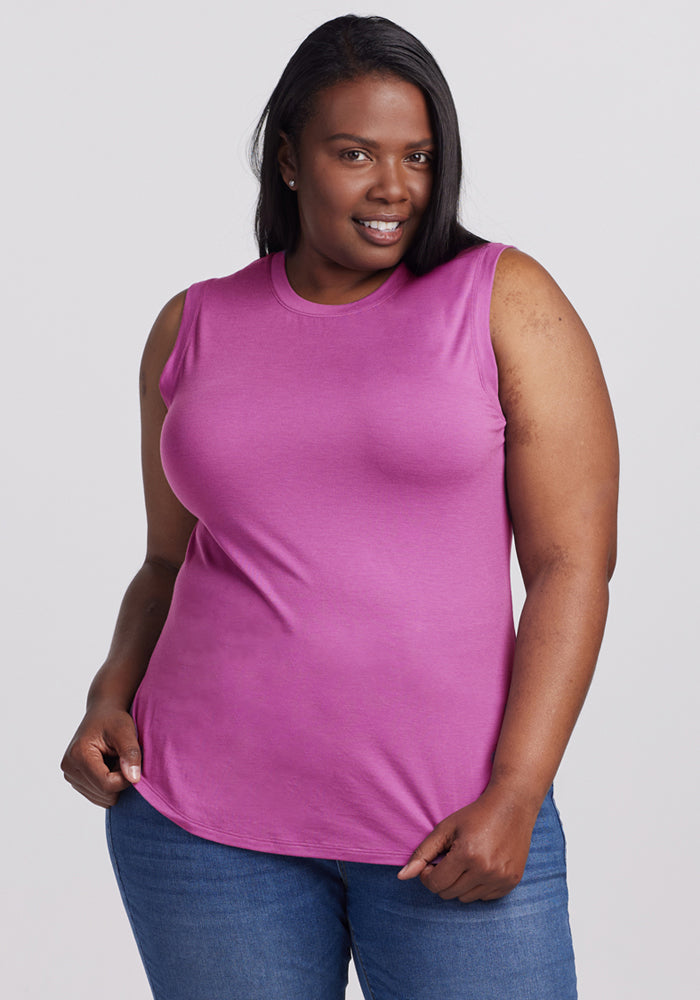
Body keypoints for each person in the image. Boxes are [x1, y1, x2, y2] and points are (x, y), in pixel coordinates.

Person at [60, 14, 618, 1000]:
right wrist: (109, 694)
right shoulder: (193, 323)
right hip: (199, 828)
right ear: (285, 157)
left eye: (417, 156)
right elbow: (165, 560)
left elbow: (572, 564)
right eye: (353, 152)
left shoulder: (500, 299)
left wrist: (518, 793)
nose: (393, 185)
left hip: (450, 824)